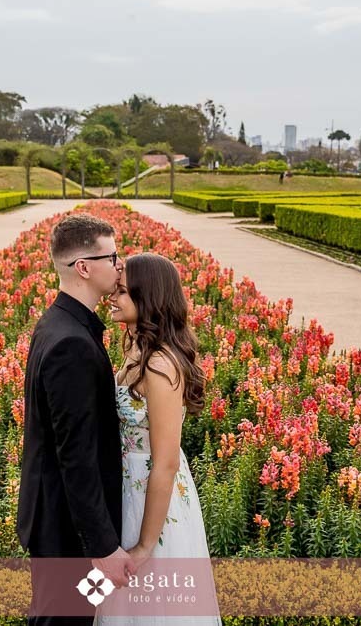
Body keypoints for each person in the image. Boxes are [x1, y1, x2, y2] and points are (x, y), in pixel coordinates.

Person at [17, 213, 135, 626]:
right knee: (61, 622)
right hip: (66, 531)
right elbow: (77, 456)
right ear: (83, 267)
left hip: (60, 521)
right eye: (113, 256)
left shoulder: (60, 324)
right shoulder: (72, 343)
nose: (120, 265)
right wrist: (103, 547)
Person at [97, 253, 221, 626]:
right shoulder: (136, 350)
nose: (111, 298)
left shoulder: (160, 365)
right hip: (129, 486)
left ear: (146, 298)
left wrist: (146, 544)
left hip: (153, 500)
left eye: (121, 292)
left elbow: (165, 461)